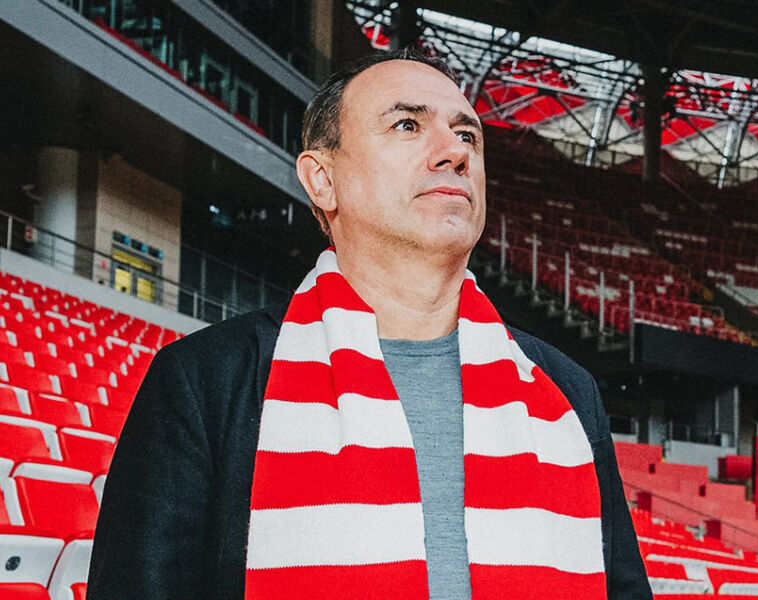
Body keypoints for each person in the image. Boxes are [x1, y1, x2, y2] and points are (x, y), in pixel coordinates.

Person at [87, 49, 651, 600]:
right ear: (322, 180)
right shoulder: (204, 382)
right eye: (408, 125)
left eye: (467, 135)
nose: (454, 152)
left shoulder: (568, 392)